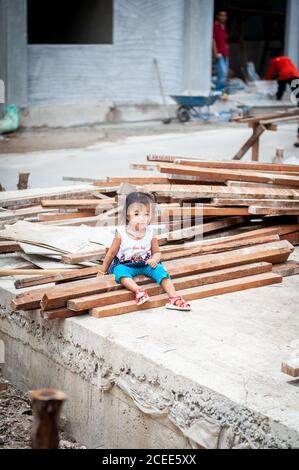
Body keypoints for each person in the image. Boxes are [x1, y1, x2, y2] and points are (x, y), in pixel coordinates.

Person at [101, 191, 191, 310]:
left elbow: (157, 252)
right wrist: (102, 271)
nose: (142, 218)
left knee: (161, 270)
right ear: (128, 216)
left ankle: (174, 298)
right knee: (119, 271)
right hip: (126, 265)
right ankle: (139, 291)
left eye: (146, 214)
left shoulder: (150, 233)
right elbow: (111, 253)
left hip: (146, 264)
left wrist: (154, 259)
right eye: (137, 214)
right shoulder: (121, 233)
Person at [265, 52, 299, 147]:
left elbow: (270, 71)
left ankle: (278, 98)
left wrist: (267, 80)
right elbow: (292, 67)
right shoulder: (287, 58)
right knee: (296, 90)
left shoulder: (274, 61)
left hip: (284, 74)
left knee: (281, 88)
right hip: (294, 73)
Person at [213, 10, 229, 91]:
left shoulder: (224, 27)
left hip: (225, 52)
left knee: (223, 74)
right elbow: (213, 40)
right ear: (218, 16)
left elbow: (224, 39)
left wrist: (227, 47)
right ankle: (218, 90)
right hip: (219, 53)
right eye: (221, 15)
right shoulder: (215, 26)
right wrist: (215, 52)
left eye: (224, 15)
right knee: (222, 73)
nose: (223, 17)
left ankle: (221, 91)